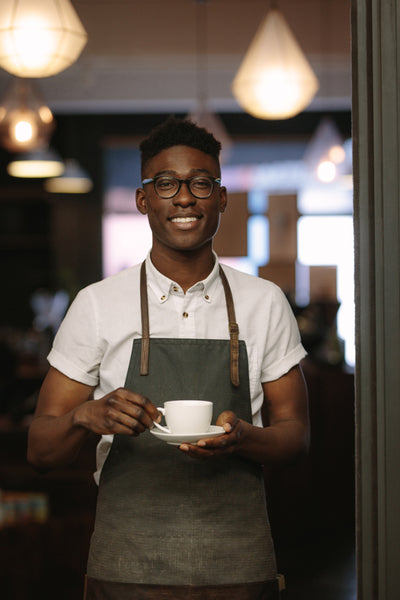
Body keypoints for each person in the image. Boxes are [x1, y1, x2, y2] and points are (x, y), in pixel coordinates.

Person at [27, 116, 309, 600]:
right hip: (126, 564)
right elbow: (40, 449)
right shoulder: (97, 304)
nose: (184, 197)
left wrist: (244, 438)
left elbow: (297, 436)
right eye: (166, 183)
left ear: (220, 197)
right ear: (143, 200)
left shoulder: (265, 302)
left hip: (237, 564)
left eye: (201, 183)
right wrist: (84, 416)